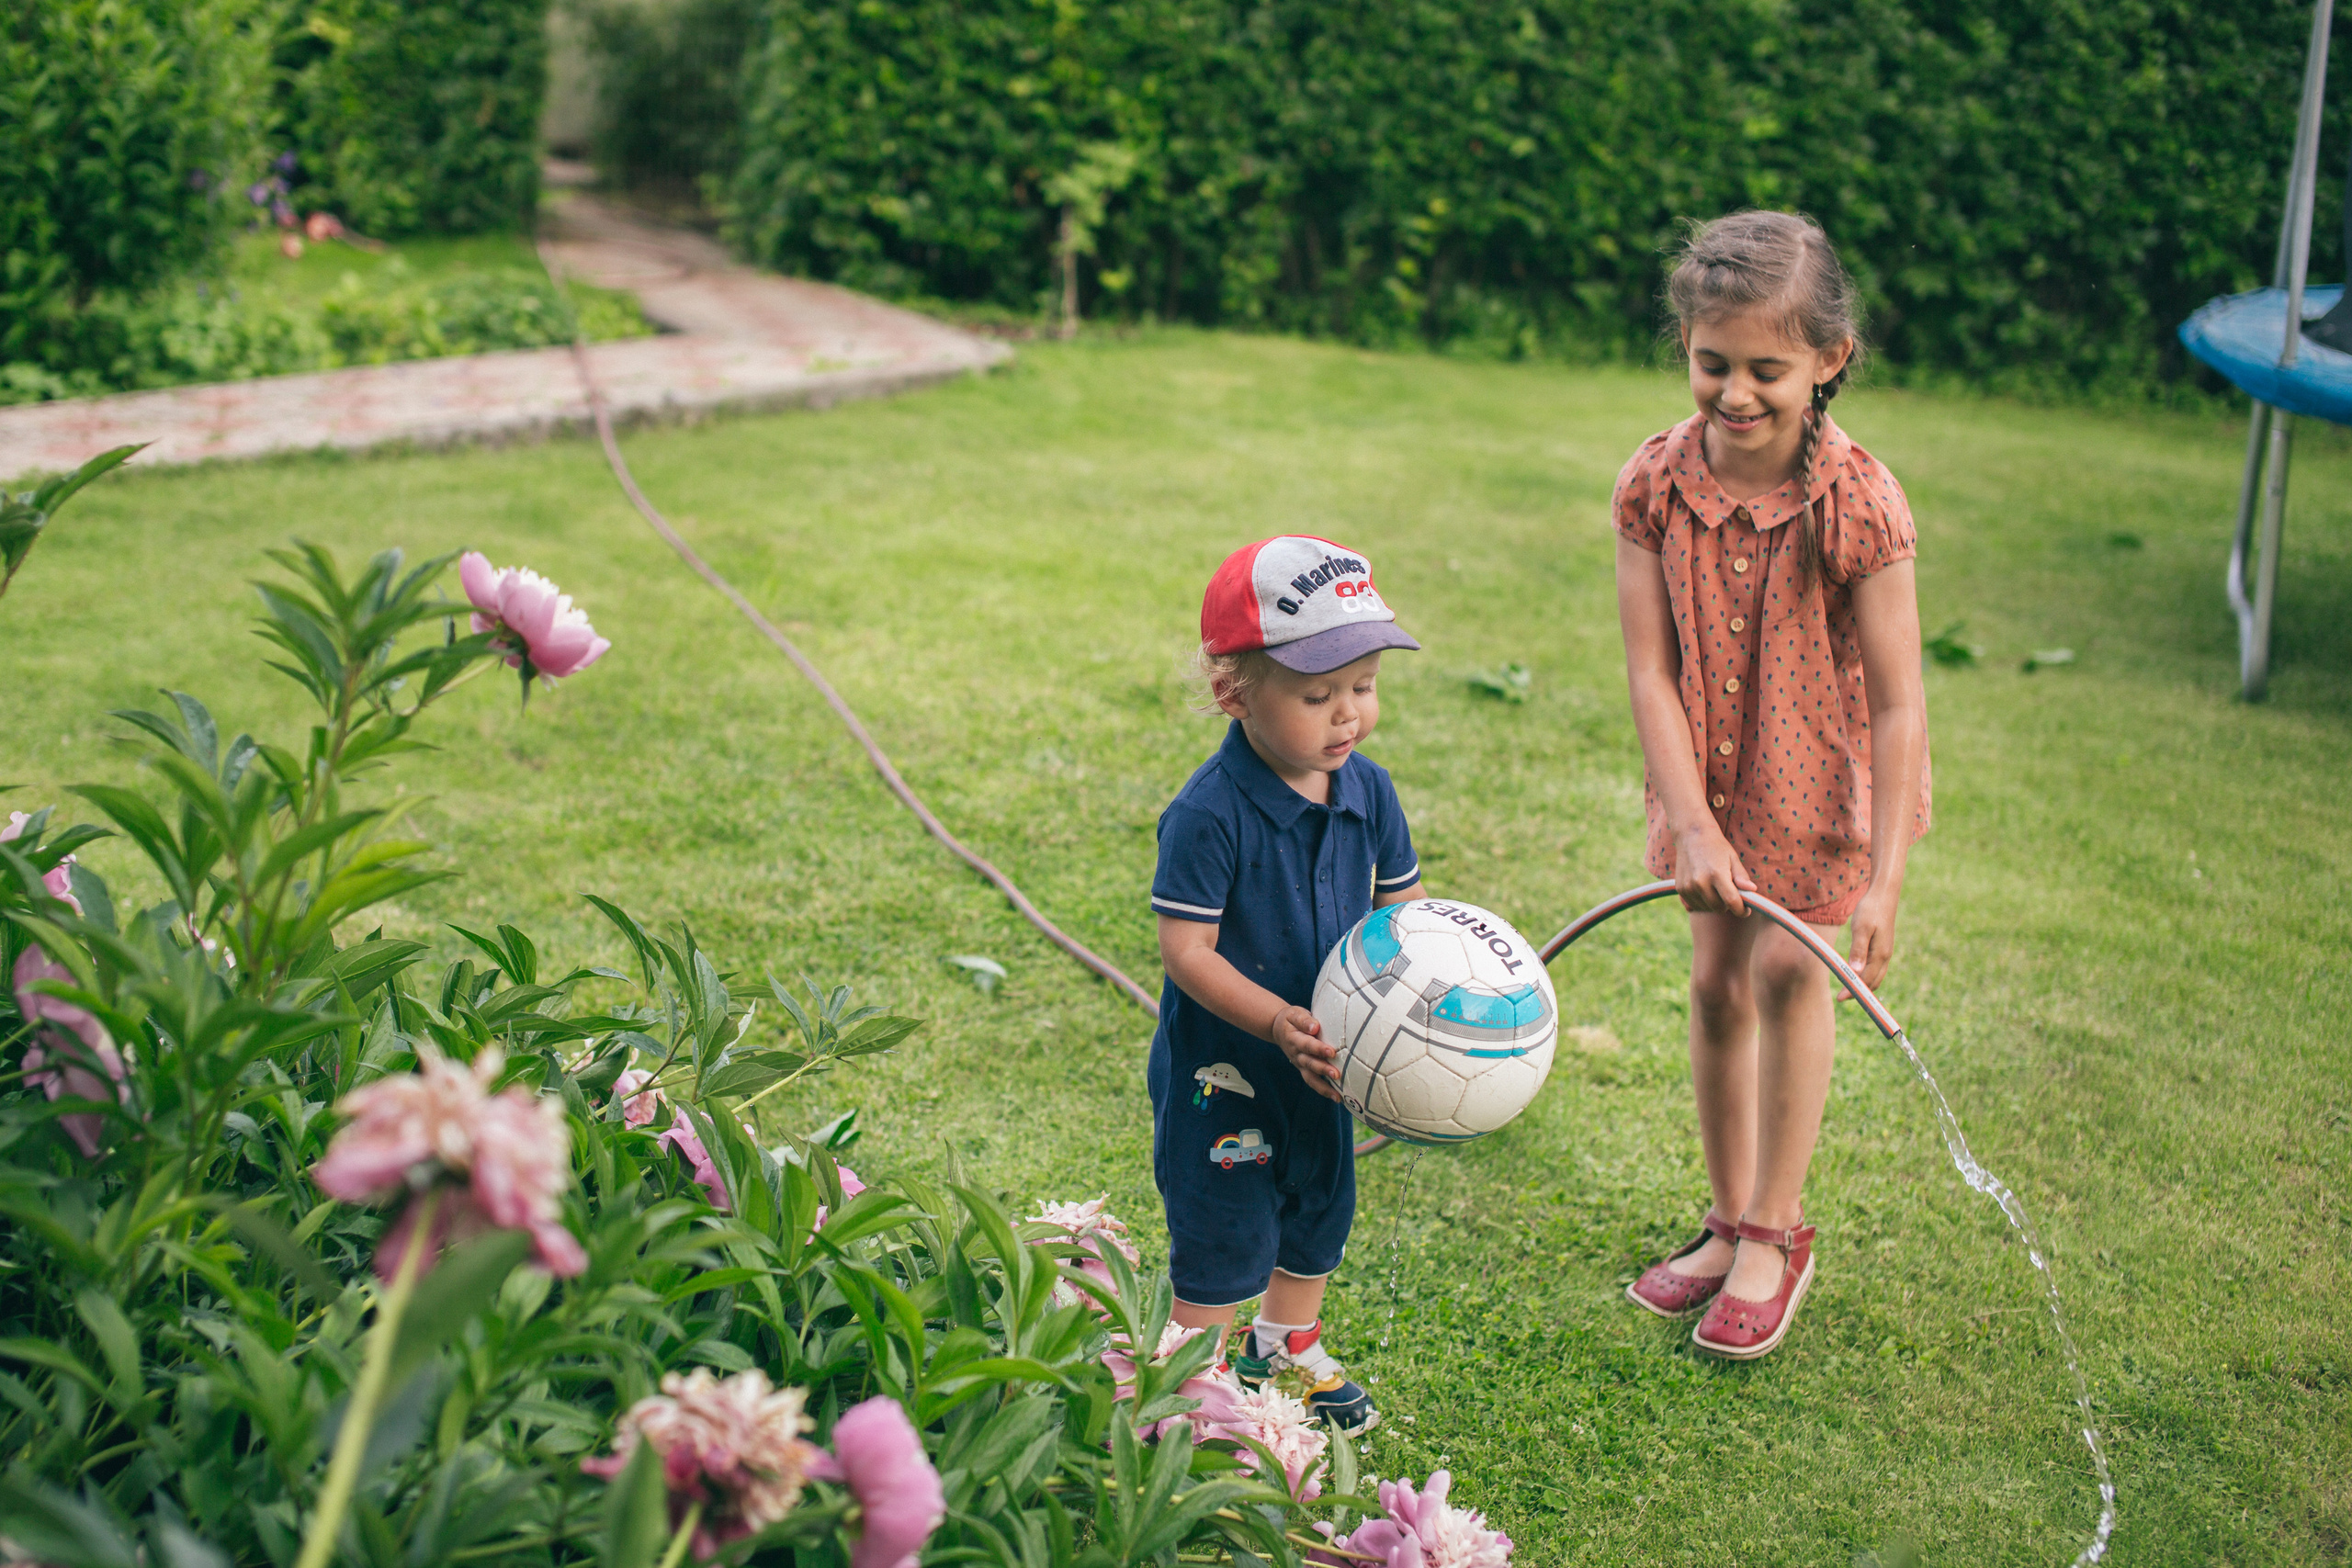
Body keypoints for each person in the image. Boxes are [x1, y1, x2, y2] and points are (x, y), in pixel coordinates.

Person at [1612, 210, 1929, 1360]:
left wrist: (1886, 880)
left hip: (1822, 789)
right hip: (1710, 785)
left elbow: (1897, 704)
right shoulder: (1653, 483)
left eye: (1765, 369)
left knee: (1793, 973)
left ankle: (1775, 1233)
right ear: (1686, 348)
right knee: (1714, 985)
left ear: (1828, 360)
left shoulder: (1858, 502)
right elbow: (1649, 666)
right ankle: (1723, 1216)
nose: (1734, 393)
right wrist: (1689, 819)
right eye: (1712, 363)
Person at [1148, 535, 1426, 1433]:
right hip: (1227, 1075)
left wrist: (1433, 997)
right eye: (1317, 695)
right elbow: (1187, 951)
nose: (1347, 715)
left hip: (1331, 1063)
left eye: (1363, 687)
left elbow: (1404, 918)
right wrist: (1274, 1022)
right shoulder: (1208, 814)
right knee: (1225, 1224)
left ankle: (1286, 1346)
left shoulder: (1370, 794)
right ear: (1236, 695)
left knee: (1317, 1207)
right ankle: (1192, 1382)